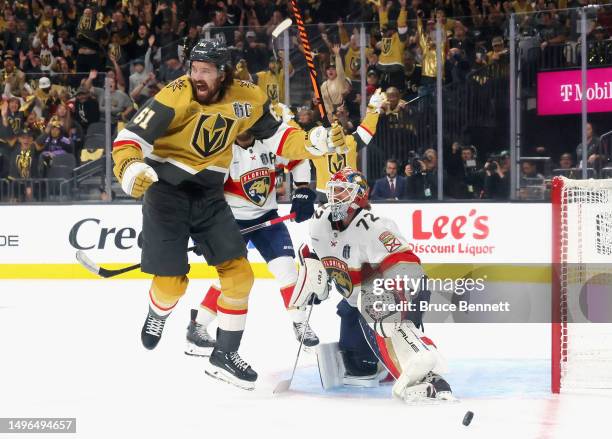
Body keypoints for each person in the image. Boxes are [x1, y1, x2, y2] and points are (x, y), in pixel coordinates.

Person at [111, 39, 346, 390]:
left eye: (205, 70)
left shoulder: (248, 99)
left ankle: (224, 354)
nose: (196, 77)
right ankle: (157, 313)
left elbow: (282, 138)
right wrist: (130, 169)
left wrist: (314, 143)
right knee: (170, 284)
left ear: (223, 73)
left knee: (239, 276)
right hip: (166, 191)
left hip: (208, 195)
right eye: (193, 69)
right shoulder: (177, 94)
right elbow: (128, 138)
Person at [289, 167, 453, 402]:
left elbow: (406, 265)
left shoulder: (374, 226)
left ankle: (431, 375)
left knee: (386, 326)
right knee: (359, 366)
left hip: (398, 291)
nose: (336, 198)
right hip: (355, 299)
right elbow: (316, 259)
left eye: (343, 193)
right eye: (333, 191)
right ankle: (385, 357)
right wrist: (316, 282)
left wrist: (393, 299)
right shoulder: (319, 222)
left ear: (359, 197)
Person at [186, 105, 319, 357]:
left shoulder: (268, 143)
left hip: (267, 217)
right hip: (232, 222)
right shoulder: (222, 152)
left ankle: (300, 322)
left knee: (287, 270)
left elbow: (298, 158)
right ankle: (198, 325)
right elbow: (204, 192)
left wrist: (302, 190)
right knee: (231, 279)